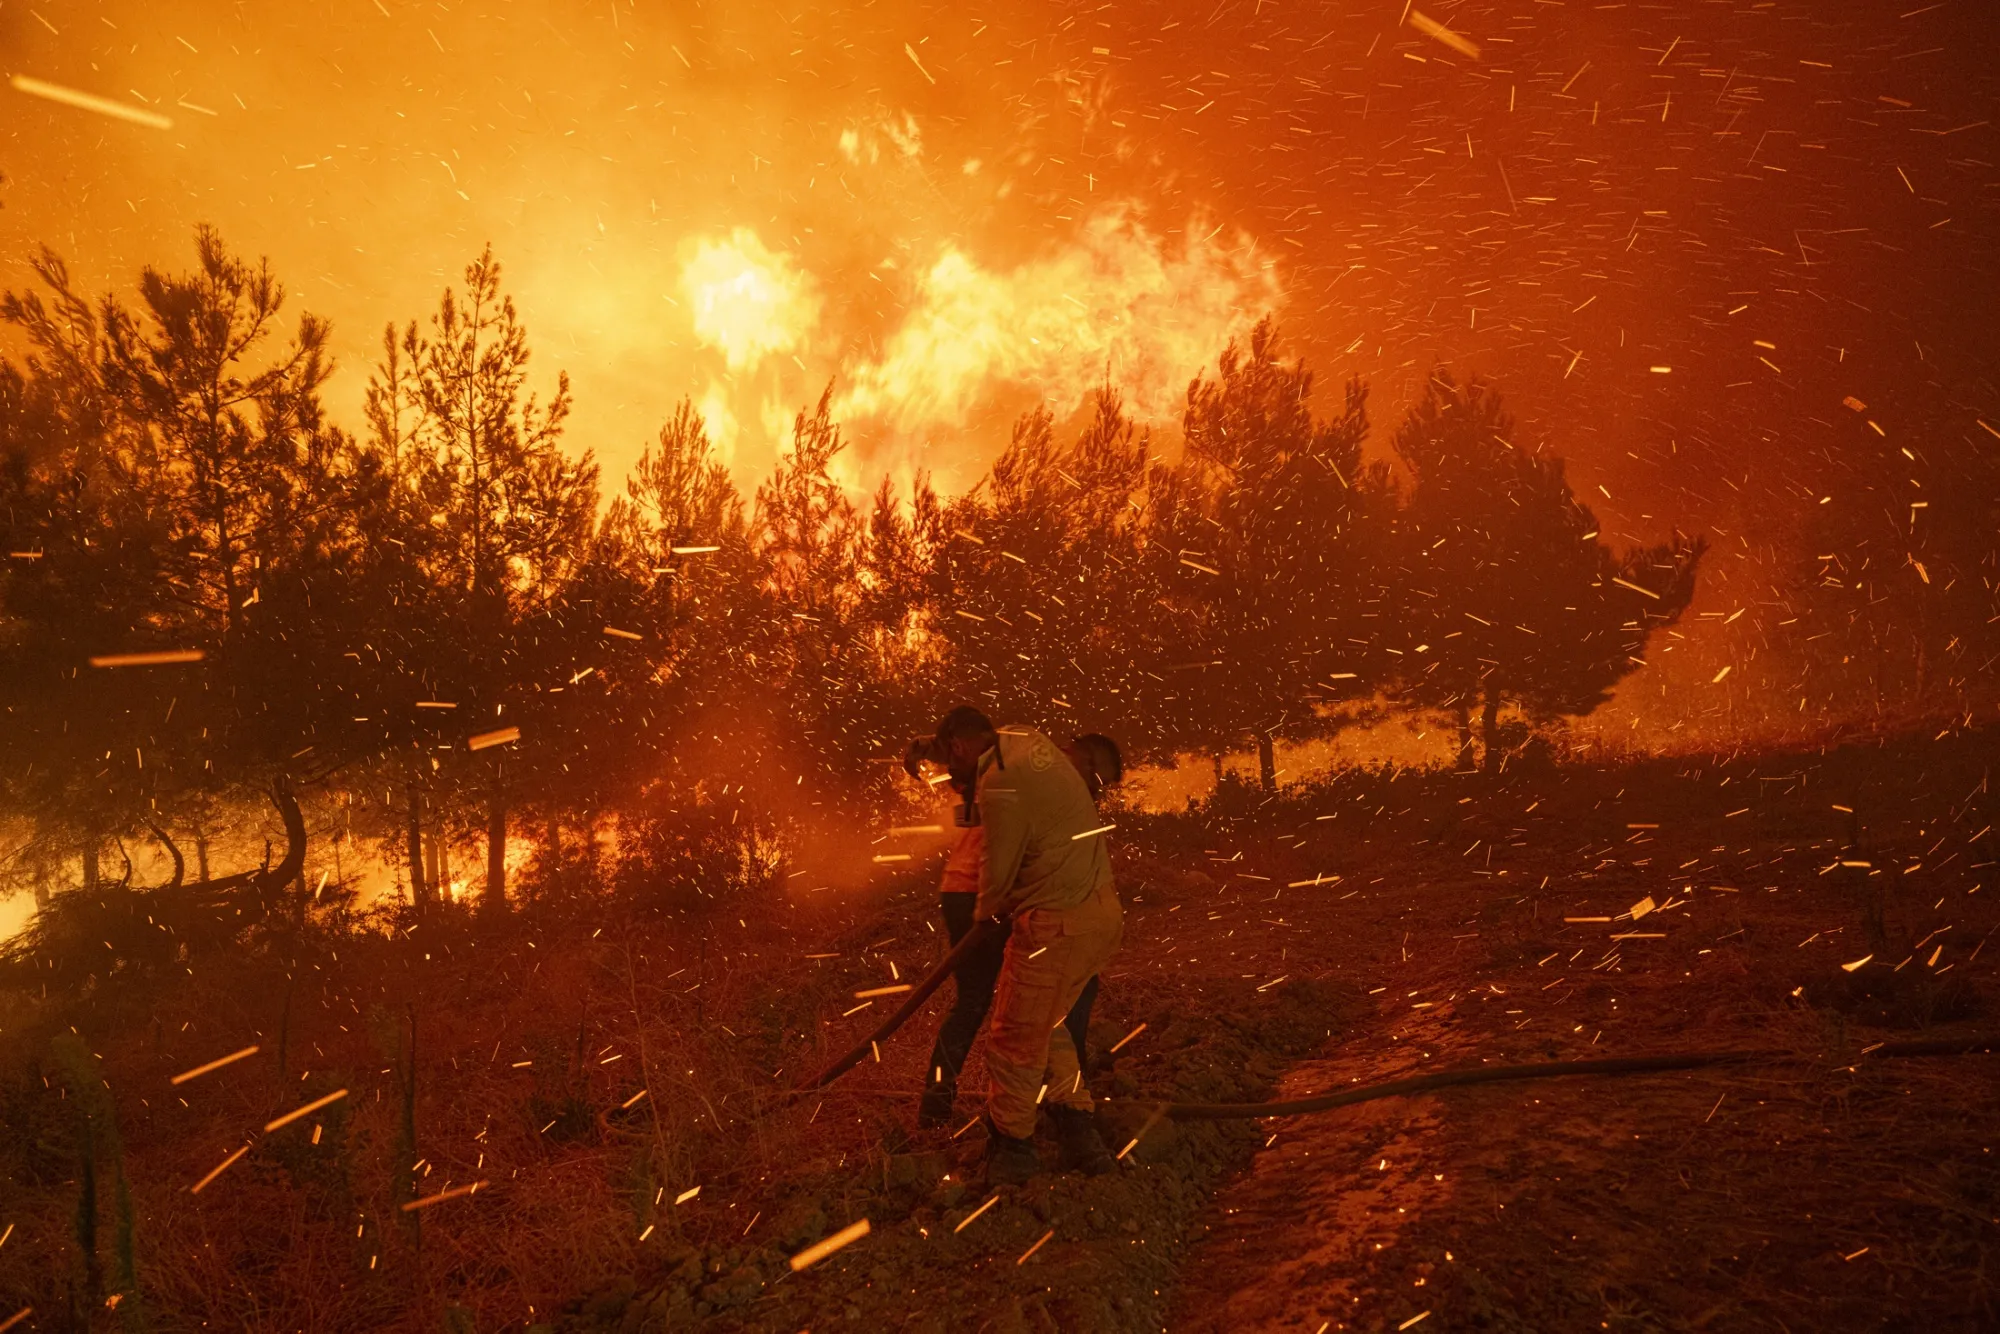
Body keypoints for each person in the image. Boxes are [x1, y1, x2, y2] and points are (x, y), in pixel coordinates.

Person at [922, 706, 1123, 1185]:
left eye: (950, 763)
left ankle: (1014, 1152)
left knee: (1012, 1034)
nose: (951, 776)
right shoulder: (1025, 740)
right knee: (1048, 1024)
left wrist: (983, 915)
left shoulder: (1000, 784)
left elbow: (998, 870)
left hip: (1056, 926)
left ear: (957, 747)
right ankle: (1079, 1132)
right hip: (1098, 918)